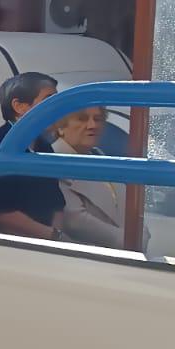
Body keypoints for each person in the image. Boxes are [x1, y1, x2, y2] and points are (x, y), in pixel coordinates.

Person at [0, 72, 65, 238]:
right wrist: (51, 236)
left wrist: (56, 236)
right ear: (19, 106)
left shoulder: (44, 147)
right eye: (48, 100)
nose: (56, 108)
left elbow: (56, 204)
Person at [52, 106, 122, 248]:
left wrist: (141, 233)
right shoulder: (51, 161)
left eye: (98, 119)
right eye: (82, 119)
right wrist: (125, 240)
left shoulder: (100, 157)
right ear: (60, 127)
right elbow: (75, 221)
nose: (93, 125)